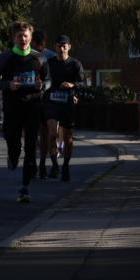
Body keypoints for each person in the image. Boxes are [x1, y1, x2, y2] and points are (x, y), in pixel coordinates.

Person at [0, 21, 51, 203]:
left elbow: (48, 80)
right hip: (12, 105)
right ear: (13, 38)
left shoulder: (39, 58)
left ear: (31, 38)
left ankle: (24, 188)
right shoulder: (5, 58)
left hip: (33, 104)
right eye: (19, 36)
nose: (23, 39)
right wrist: (8, 85)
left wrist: (43, 86)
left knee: (31, 145)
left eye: (26, 36)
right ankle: (12, 154)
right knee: (13, 141)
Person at [45, 35, 87, 181]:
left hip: (67, 103)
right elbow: (42, 80)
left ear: (69, 47)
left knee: (68, 137)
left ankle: (66, 166)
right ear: (55, 47)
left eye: (64, 46)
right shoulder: (49, 63)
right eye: (59, 46)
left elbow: (83, 83)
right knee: (51, 134)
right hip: (51, 102)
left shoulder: (75, 64)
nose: (62, 48)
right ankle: (55, 164)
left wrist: (73, 85)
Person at [31, 29, 57, 179]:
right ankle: (42, 163)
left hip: (42, 99)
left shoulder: (38, 56)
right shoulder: (51, 56)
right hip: (43, 99)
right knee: (45, 134)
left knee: (42, 133)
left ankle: (41, 163)